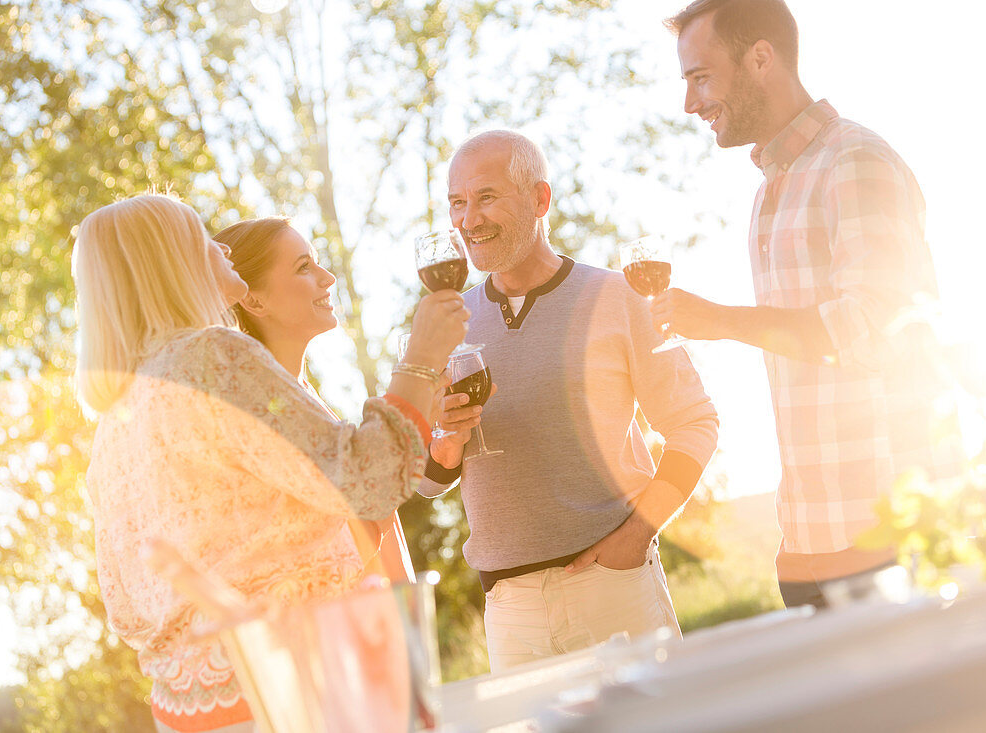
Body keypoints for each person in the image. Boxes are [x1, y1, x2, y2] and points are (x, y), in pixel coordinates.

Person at [73, 194, 468, 732]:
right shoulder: (212, 356)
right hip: (290, 688)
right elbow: (366, 480)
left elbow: (124, 607)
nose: (220, 246)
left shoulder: (112, 429)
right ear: (173, 260)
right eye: (200, 236)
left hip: (188, 708)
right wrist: (421, 359)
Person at [658, 0, 961, 608]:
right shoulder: (772, 189)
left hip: (885, 530)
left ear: (761, 59)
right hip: (805, 540)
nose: (690, 103)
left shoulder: (854, 162)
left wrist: (718, 321)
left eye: (700, 77)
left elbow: (871, 328)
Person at [420, 130, 719, 671]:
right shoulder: (444, 323)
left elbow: (695, 422)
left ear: (539, 199)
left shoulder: (619, 298)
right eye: (457, 204)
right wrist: (444, 438)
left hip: (614, 588)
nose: (468, 220)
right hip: (509, 610)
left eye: (486, 197)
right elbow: (424, 478)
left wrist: (636, 536)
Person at [214, 217, 416, 586]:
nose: (328, 278)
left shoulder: (303, 397)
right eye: (304, 267)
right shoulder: (265, 417)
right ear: (253, 299)